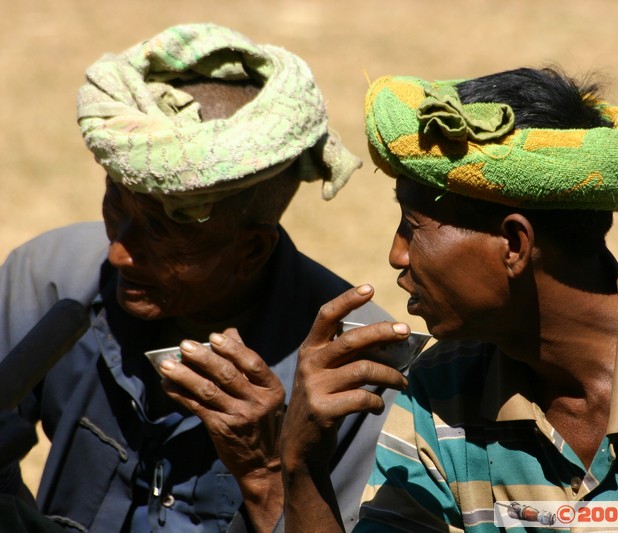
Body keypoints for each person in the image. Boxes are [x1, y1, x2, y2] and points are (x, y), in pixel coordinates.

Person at [278, 67, 618, 531]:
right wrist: (301, 467)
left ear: (514, 244)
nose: (397, 256)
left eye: (412, 228)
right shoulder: (438, 394)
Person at [0, 23, 397, 533]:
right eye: (115, 207)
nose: (119, 253)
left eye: (161, 232)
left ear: (251, 250)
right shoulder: (51, 278)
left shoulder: (353, 373)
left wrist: (265, 474)